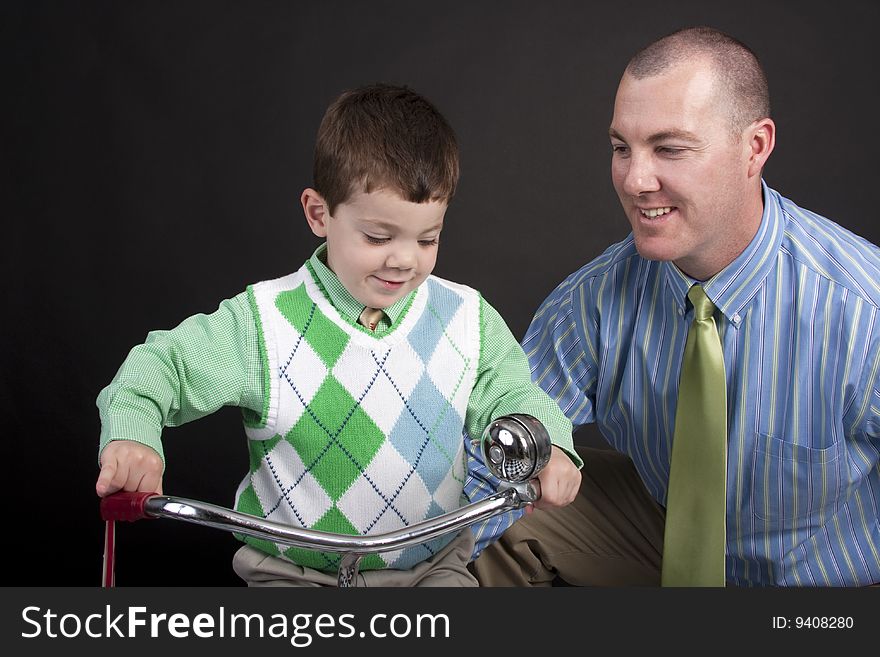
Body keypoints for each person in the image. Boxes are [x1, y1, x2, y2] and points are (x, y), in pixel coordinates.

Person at [94, 83, 582, 587]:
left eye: (427, 238)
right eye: (377, 237)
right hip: (292, 572)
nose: (404, 259)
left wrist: (547, 447)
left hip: (431, 569)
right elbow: (162, 368)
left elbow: (512, 390)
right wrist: (134, 434)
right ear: (318, 214)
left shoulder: (466, 318)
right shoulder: (263, 324)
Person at [470, 26, 880, 587]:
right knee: (511, 500)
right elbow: (499, 444)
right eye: (621, 148)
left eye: (669, 148)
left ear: (754, 147)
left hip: (819, 593)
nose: (635, 180)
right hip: (664, 543)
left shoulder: (863, 309)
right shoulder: (594, 301)